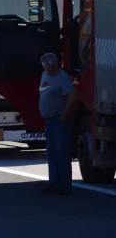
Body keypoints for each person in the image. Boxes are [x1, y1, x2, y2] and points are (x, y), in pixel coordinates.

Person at [39, 52, 77, 195]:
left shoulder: (62, 78)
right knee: (52, 152)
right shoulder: (44, 75)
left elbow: (72, 97)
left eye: (52, 67)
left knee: (62, 152)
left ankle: (64, 185)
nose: (50, 69)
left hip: (59, 120)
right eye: (48, 67)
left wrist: (64, 114)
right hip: (49, 119)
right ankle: (53, 183)